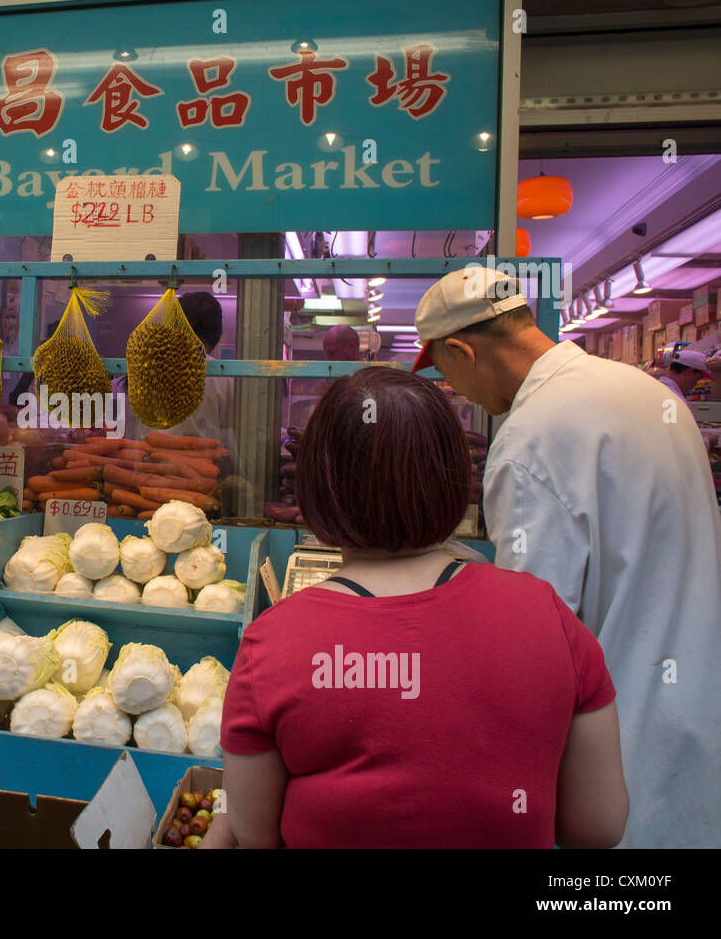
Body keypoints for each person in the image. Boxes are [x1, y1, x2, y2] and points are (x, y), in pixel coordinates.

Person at [206, 367, 628, 848]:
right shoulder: (549, 616)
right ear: (455, 481)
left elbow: (255, 834)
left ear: (316, 487)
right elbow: (598, 827)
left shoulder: (275, 641)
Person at [412, 266, 721, 848]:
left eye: (443, 371)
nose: (450, 387)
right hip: (696, 721)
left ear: (460, 349)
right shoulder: (646, 392)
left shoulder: (531, 441)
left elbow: (530, 644)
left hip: (618, 764)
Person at [113, 291, 235, 447]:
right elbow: (230, 432)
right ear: (216, 335)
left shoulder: (147, 366)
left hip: (146, 463)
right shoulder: (224, 378)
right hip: (197, 466)